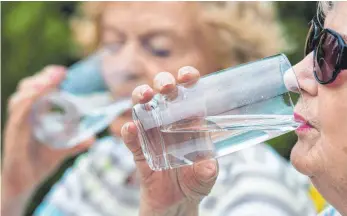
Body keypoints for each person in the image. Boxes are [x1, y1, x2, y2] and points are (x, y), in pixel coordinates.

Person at [2, 2, 318, 216]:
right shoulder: (105, 165)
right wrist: (13, 189)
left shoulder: (255, 185)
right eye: (112, 44)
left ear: (231, 66)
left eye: (159, 48)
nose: (124, 68)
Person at [121, 1, 347, 216]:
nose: (295, 76)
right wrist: (171, 212)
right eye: (316, 43)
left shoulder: (260, 186)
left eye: (332, 50)